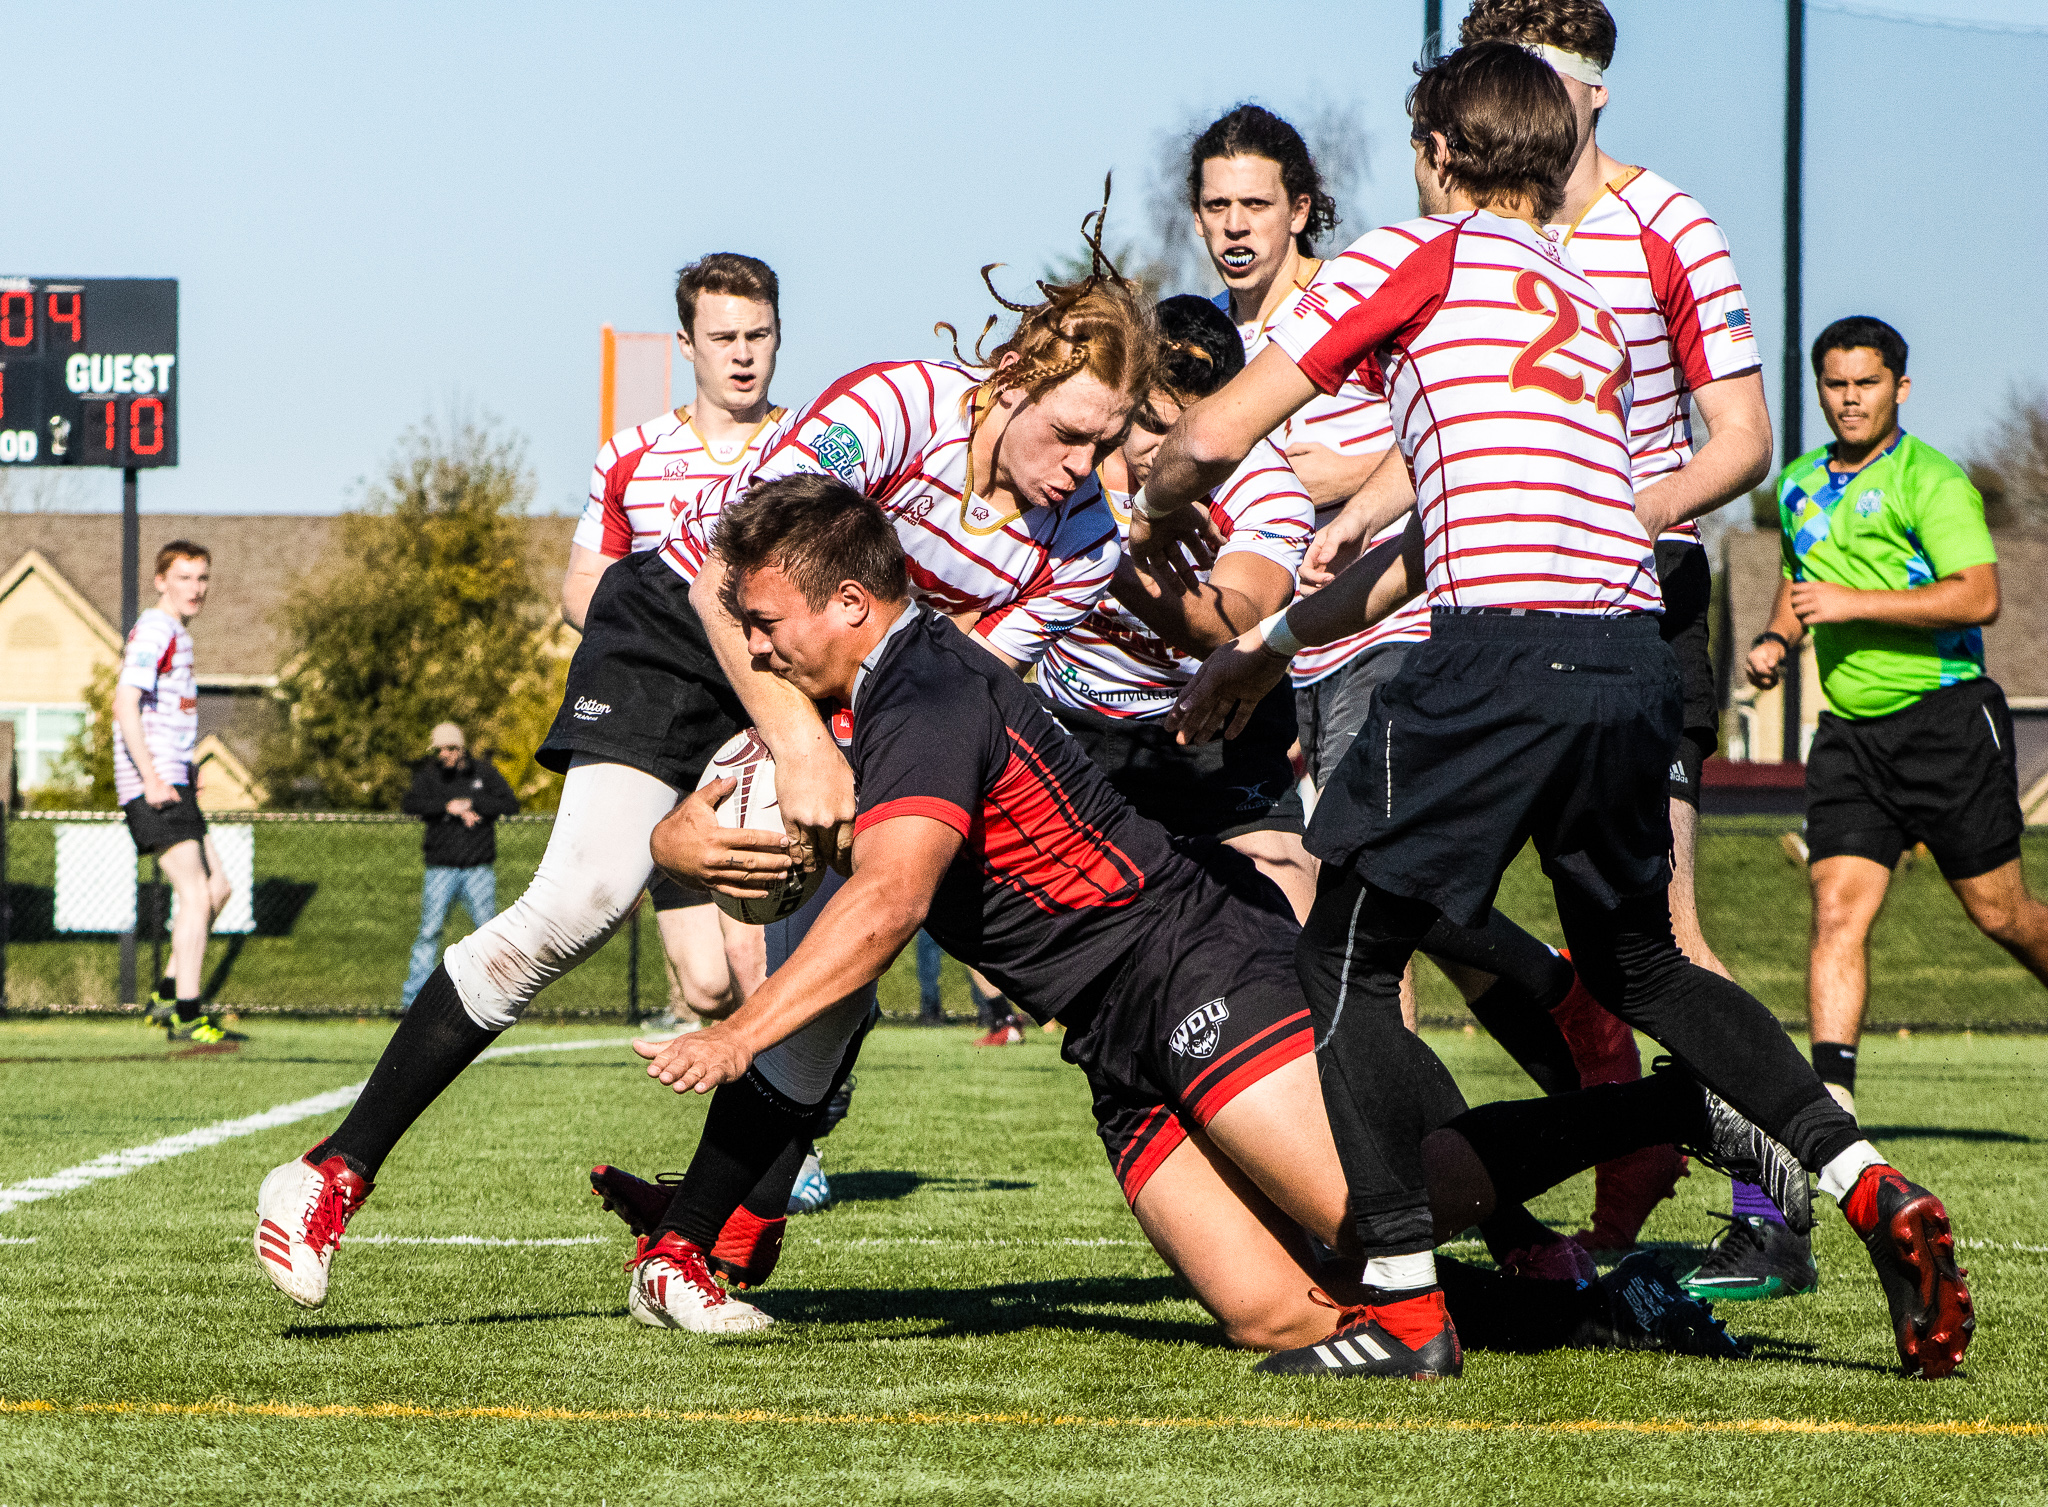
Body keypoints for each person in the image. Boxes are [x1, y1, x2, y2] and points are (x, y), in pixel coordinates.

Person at [1148, 41, 1972, 1380]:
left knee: (1344, 956)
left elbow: (1208, 436)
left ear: (1437, 153)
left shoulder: (1416, 259)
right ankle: (1869, 1180)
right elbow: (1425, 533)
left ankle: (1408, 1314)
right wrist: (1271, 648)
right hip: (1631, 656)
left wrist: (1151, 499)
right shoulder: (1586, 302)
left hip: (1497, 659)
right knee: (1645, 962)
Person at [613, 473, 1778, 1368]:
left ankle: (1681, 1105)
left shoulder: (918, 691)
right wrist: (677, 841)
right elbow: (735, 835)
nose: (752, 648)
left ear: (850, 604)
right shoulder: (861, 701)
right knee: (1284, 1315)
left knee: (1383, 1208)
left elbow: (889, 899)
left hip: (1180, 960)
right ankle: (1590, 1306)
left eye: (764, 621)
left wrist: (740, 1032)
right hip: (1106, 1026)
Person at [250, 229, 1149, 1319]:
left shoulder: (1088, 542)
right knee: (579, 900)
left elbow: (944, 691)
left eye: (1101, 446)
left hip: (823, 689)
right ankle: (328, 1171)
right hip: (681, 634)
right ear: (1015, 377)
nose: (1076, 469)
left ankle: (680, 1253)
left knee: (831, 978)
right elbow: (731, 575)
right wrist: (794, 748)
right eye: (1067, 434)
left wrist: (825, 761)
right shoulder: (898, 404)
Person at [1444, 0, 1779, 1261]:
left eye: (1535, 78)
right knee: (1427, 899)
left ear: (1591, 93)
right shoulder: (1467, 229)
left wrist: (1609, 505)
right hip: (1486, 612)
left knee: (1662, 936)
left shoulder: (1668, 226)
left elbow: (1738, 443)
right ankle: (1596, 1161)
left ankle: (1770, 1203)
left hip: (1636, 610)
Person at [1189, 102, 1589, 1117]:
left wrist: (1348, 476)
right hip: (1301, 655)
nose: (1234, 226)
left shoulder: (1359, 302)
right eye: (1214, 206)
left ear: (1301, 209)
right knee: (1395, 906)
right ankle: (1576, 1061)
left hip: (1397, 630)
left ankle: (1410, 1158)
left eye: (1254, 204)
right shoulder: (1212, 344)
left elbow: (1455, 428)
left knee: (1369, 898)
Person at [1744, 314, 2045, 1275]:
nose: (1849, 399)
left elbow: (1977, 595)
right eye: (1835, 384)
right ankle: (1834, 1109)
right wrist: (1775, 642)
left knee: (2001, 914)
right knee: (1837, 907)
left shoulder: (1931, 480)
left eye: (1866, 384)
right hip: (1852, 738)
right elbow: (1798, 585)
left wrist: (1853, 605)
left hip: (1949, 723)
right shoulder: (1796, 486)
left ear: (1900, 389)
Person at [1038, 293, 1318, 920]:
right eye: (1151, 424)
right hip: (1078, 721)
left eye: (1189, 434)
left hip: (1215, 725)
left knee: (1291, 910)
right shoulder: (1069, 461)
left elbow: (1239, 628)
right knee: (1090, 937)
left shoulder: (1266, 488)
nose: (1166, 453)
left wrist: (1103, 560)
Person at [562, 253, 785, 1032]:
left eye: (759, 333)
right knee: (705, 985)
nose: (743, 352)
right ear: (687, 344)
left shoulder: (808, 451)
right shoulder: (631, 457)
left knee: (759, 970)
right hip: (663, 732)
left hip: (761, 727)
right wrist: (681, 636)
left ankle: (785, 1153)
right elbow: (579, 592)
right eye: (723, 336)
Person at [114, 540, 237, 1044]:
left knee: (217, 889)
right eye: (185, 578)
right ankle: (188, 1013)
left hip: (173, 780)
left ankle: (167, 993)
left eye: (202, 578)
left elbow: (165, 714)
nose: (196, 588)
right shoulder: (156, 630)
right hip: (154, 786)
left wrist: (184, 769)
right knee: (193, 894)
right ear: (161, 580)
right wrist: (152, 777)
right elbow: (124, 704)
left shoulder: (178, 635)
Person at [398, 723, 519, 1010]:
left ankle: (497, 998)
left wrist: (472, 803)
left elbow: (511, 803)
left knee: (488, 933)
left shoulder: (484, 774)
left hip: (478, 869)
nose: (444, 755)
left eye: (450, 749)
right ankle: (411, 1001)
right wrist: (447, 806)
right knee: (429, 932)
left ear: (461, 748)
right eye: (439, 750)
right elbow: (410, 803)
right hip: (440, 869)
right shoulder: (430, 776)